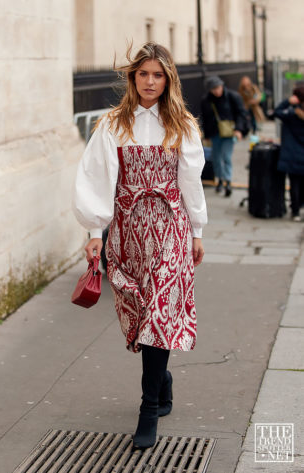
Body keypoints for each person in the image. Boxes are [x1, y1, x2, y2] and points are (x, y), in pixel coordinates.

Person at [73, 42, 208, 449]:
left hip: (169, 228)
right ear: (133, 78)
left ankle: (148, 408)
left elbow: (191, 180)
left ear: (168, 80)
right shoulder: (112, 123)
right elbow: (96, 179)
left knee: (161, 313)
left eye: (158, 75)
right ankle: (162, 377)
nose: (150, 82)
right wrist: (95, 234)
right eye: (143, 74)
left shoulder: (182, 123)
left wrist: (197, 230)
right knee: (139, 316)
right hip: (130, 232)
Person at [201, 75, 249, 197]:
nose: (217, 91)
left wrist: (239, 129)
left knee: (226, 156)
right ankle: (220, 180)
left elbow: (241, 114)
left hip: (229, 132)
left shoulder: (233, 97)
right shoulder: (206, 100)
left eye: (218, 87)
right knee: (216, 157)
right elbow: (205, 119)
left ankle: (227, 181)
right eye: (213, 89)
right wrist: (206, 135)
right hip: (215, 133)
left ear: (222, 85)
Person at [274, 86, 304, 222]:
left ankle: (295, 211)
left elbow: (276, 112)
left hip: (292, 155)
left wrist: (287, 101)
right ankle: (299, 206)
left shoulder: (291, 115)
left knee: (294, 183)